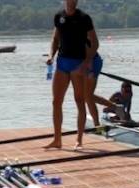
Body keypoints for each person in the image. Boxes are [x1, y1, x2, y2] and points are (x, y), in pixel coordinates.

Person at [45, 0, 98, 149]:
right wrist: (51, 56)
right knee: (56, 102)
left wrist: (86, 62)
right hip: (62, 63)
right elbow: (55, 39)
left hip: (78, 64)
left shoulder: (84, 18)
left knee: (79, 101)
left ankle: (79, 140)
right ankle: (57, 140)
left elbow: (95, 43)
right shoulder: (59, 17)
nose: (70, 2)